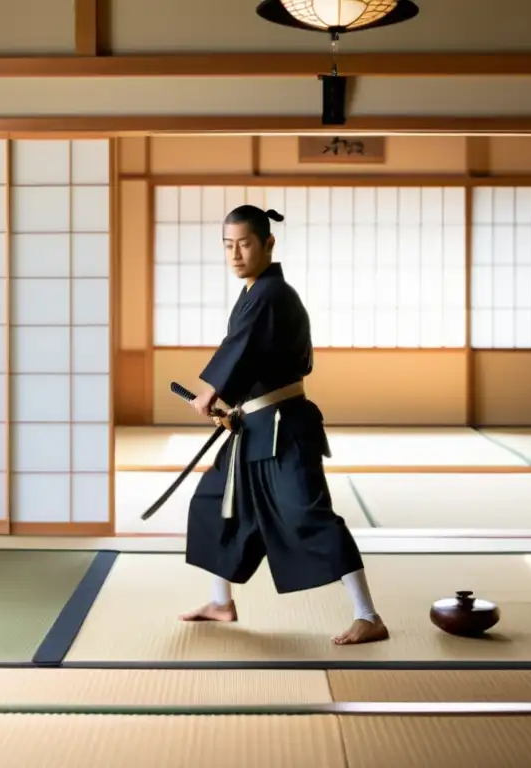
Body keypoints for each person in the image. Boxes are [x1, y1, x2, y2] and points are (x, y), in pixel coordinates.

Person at [178, 205, 389, 646]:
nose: (235, 254)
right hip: (253, 428)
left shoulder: (272, 295)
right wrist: (232, 405)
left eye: (245, 243)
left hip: (284, 429)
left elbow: (240, 347)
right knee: (215, 504)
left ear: (268, 244)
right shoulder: (255, 293)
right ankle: (221, 602)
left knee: (307, 513)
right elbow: (251, 357)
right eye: (227, 245)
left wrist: (210, 394)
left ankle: (368, 615)